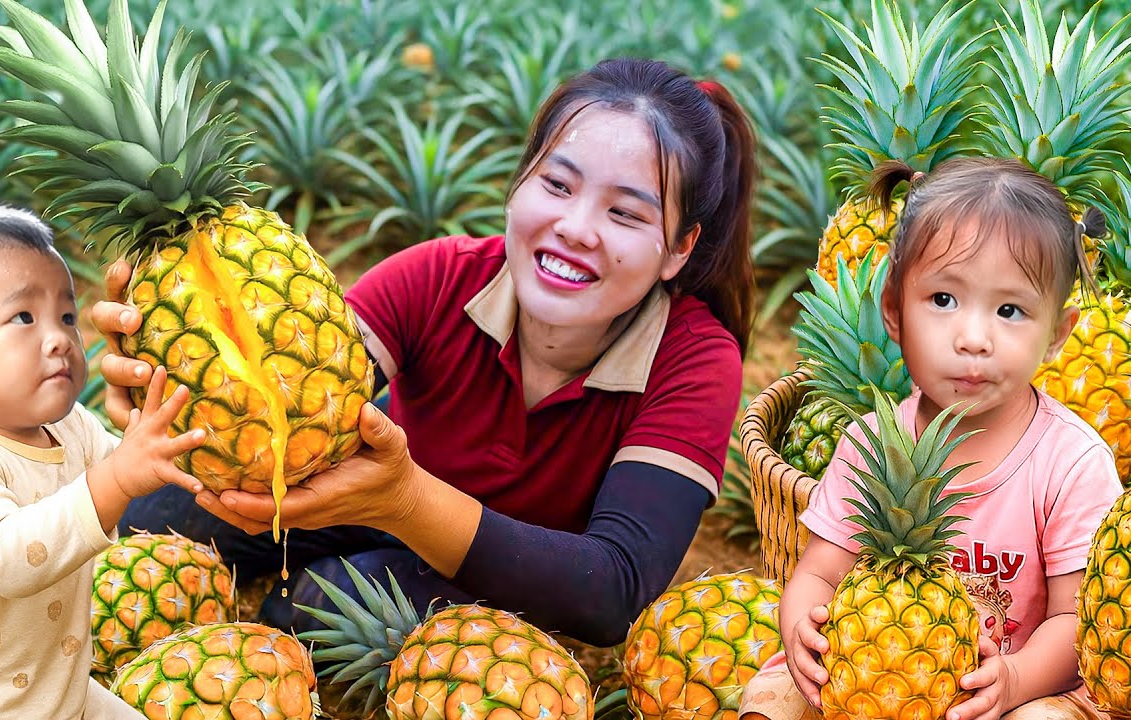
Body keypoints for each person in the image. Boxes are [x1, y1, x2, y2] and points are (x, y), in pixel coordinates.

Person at [87, 57, 758, 646]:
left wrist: (404, 503)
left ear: (680, 248)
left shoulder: (695, 357)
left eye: (626, 214)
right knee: (151, 525)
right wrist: (174, 367)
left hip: (522, 569)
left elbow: (612, 591)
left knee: (312, 608)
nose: (575, 228)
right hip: (363, 497)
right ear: (520, 182)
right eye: (557, 185)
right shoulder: (438, 275)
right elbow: (283, 389)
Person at [738, 157, 1124, 720]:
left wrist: (1015, 680)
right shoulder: (872, 445)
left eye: (1010, 310)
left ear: (1056, 336)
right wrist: (804, 626)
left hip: (1016, 693)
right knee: (768, 700)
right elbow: (820, 571)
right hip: (870, 677)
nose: (973, 338)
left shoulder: (1072, 462)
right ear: (894, 311)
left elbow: (1075, 620)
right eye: (943, 300)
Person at [0, 202, 207, 719]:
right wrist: (117, 476)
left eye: (67, 316)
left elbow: (125, 471)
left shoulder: (71, 427)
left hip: (60, 691)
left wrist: (154, 445)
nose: (59, 340)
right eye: (23, 317)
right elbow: (9, 558)